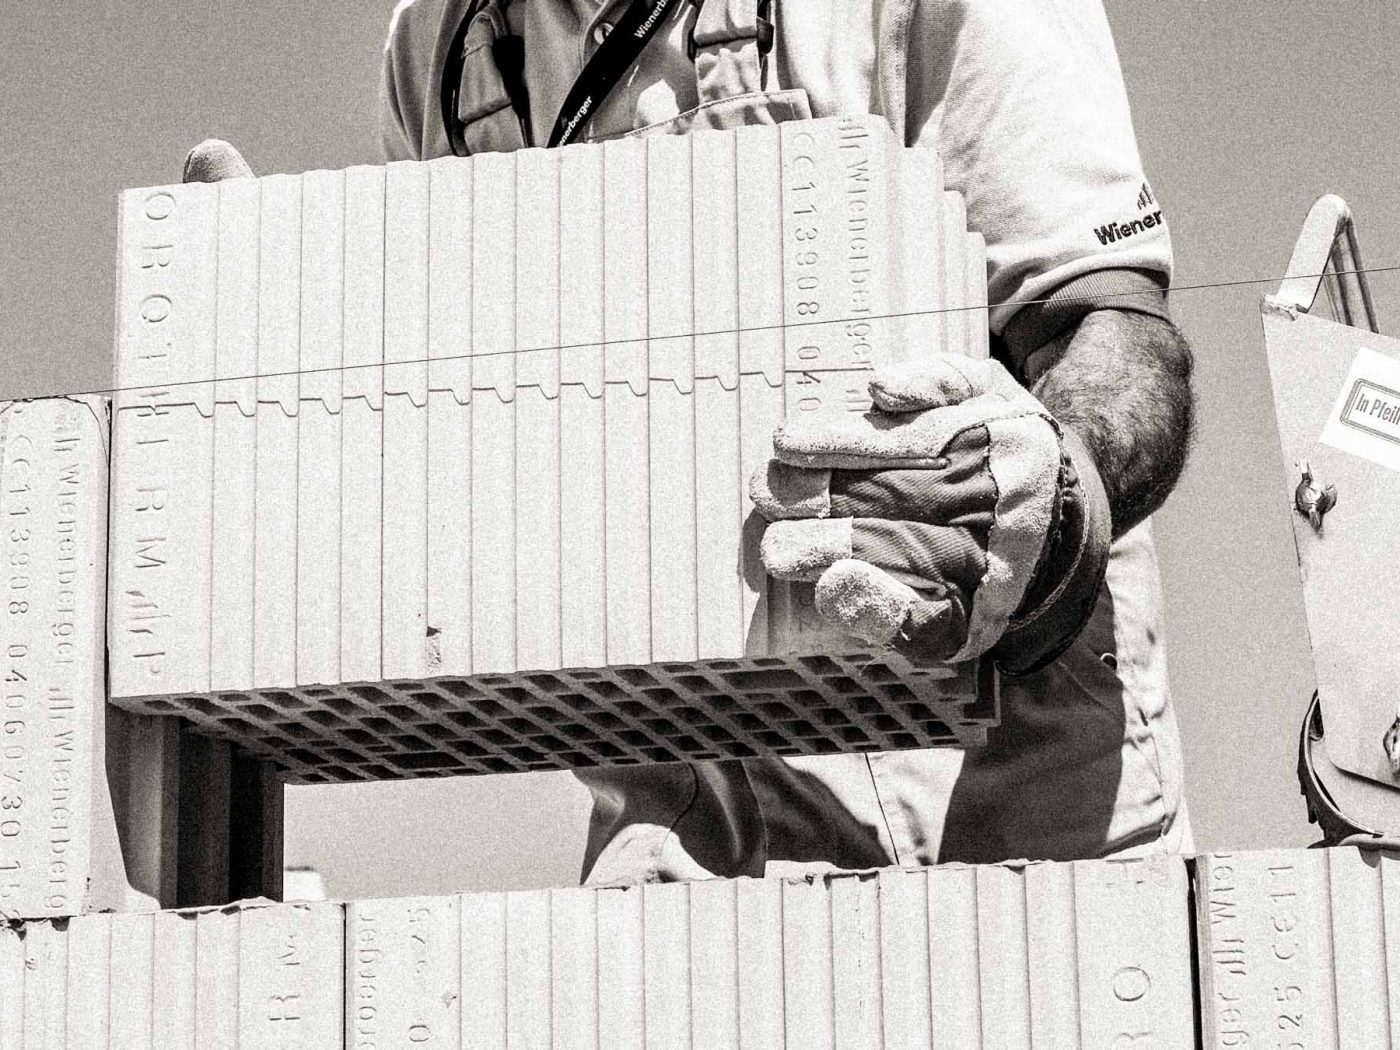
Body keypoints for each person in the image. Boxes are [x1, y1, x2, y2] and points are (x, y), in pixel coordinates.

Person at [195, 0, 1197, 881]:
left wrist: (1060, 485)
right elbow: (474, 470)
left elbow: (1119, 341)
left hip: (1011, 783)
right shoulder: (439, 48)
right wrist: (288, 377)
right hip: (679, 800)